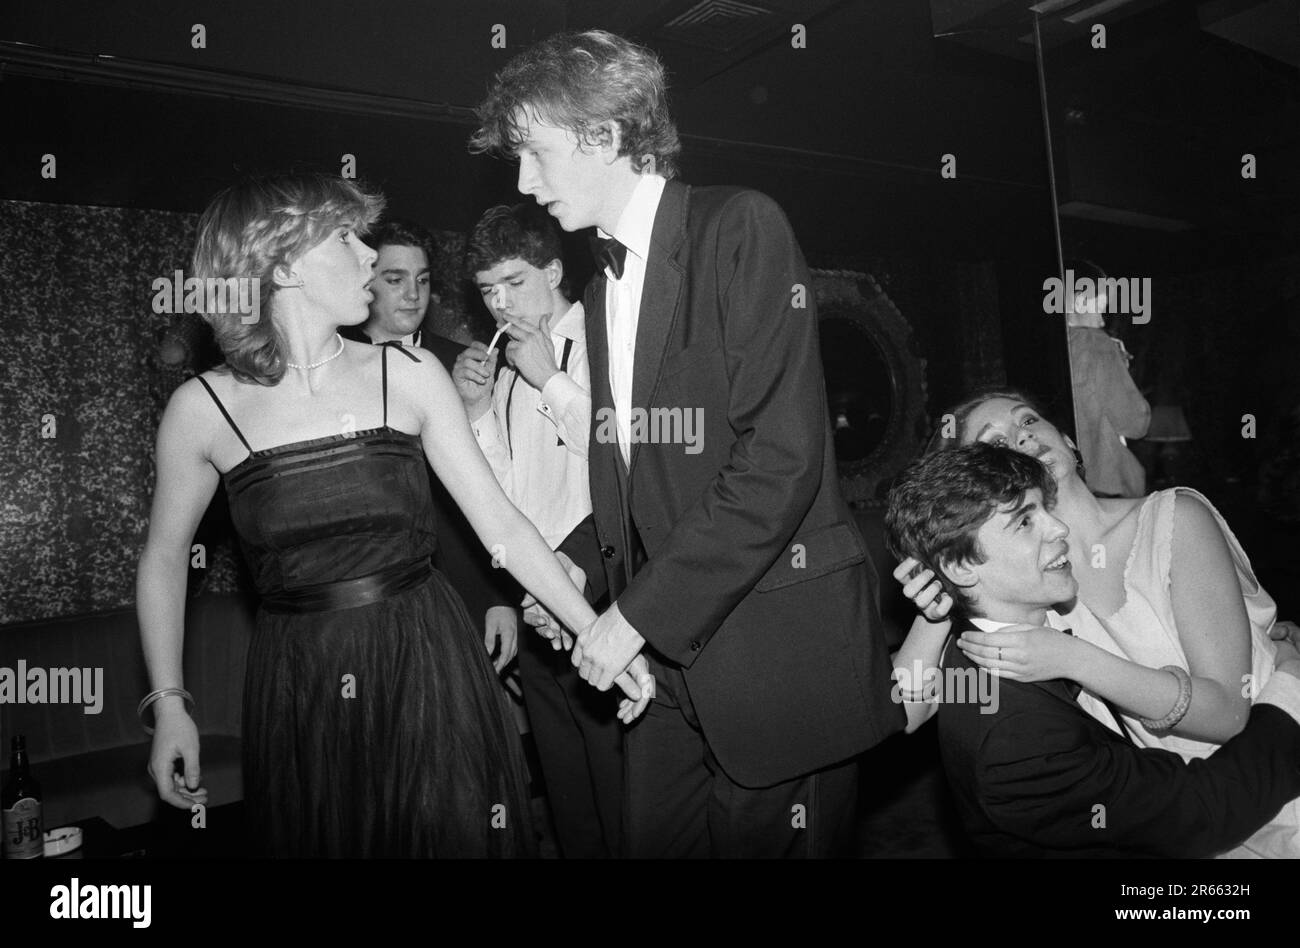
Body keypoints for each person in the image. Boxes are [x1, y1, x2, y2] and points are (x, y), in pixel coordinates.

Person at [471, 30, 902, 857]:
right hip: (667, 668)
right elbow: (636, 482)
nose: (525, 183)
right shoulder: (600, 288)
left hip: (775, 661)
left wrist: (629, 620)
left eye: (534, 153)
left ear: (602, 135)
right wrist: (579, 575)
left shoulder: (741, 227)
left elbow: (779, 465)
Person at [136, 171, 652, 858]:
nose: (368, 256)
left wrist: (598, 634)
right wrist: (169, 703)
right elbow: (165, 559)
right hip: (302, 680)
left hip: (427, 660)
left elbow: (501, 527)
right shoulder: (203, 409)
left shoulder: (408, 375)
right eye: (345, 238)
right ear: (284, 264)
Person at [893, 386, 1300, 856]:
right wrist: (938, 602)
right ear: (977, 483)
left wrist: (1073, 658)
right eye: (997, 443)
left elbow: (1229, 715)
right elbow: (908, 711)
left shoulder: (1173, 518)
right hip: (1182, 813)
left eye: (1028, 421)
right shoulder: (1029, 585)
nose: (1022, 439)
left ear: (1067, 438)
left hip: (1275, 763)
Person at [452, 202, 624, 858]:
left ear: (554, 271)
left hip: (603, 598)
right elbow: (505, 494)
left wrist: (549, 377)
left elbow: (619, 460)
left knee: (623, 795)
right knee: (569, 801)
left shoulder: (604, 342)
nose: (501, 305)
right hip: (535, 602)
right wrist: (476, 410)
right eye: (489, 291)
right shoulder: (510, 366)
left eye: (515, 283)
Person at [340, 217, 520, 674]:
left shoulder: (462, 364)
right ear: (367, 281)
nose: (412, 294)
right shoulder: (333, 369)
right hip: (363, 599)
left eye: (421, 280)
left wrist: (500, 599)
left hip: (464, 588)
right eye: (395, 279)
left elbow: (497, 491)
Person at [1064, 260, 1150, 497]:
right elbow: (1135, 423)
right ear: (1081, 302)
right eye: (1100, 309)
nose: (1102, 322)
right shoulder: (1096, 343)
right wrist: (1120, 367)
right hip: (1106, 485)